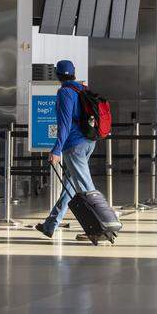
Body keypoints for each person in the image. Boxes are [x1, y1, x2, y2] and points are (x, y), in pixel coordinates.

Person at [34, 60, 97, 239]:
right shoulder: (82, 89)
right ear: (74, 73)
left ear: (57, 75)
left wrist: (56, 150)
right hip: (89, 142)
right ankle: (50, 225)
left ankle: (99, 227)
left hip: (74, 145)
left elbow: (64, 124)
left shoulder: (65, 92)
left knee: (86, 187)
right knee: (69, 184)